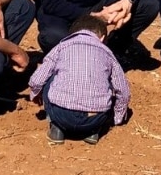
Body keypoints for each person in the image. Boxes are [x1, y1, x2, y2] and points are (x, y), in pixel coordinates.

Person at [29, 14, 131, 145]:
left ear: (72, 34)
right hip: (95, 118)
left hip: (61, 115)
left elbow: (36, 80)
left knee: (51, 77)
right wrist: (118, 118)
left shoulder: (61, 47)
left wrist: (35, 94)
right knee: (107, 82)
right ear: (102, 38)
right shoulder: (107, 53)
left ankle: (57, 128)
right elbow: (123, 91)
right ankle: (92, 132)